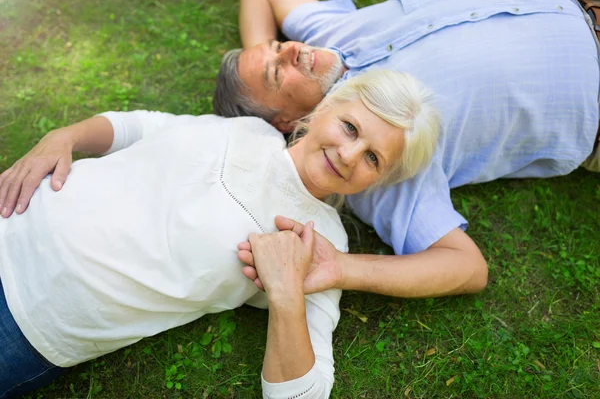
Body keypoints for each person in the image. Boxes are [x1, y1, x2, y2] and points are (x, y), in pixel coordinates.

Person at [0, 70, 439, 398]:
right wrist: (66, 136)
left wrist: (286, 294)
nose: (348, 154)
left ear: (376, 182)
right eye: (351, 127)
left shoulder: (320, 244)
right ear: (324, 108)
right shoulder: (250, 129)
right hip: (14, 213)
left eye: (373, 159)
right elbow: (141, 126)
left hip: (28, 322)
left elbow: (303, 393)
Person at [214, 0, 600, 299]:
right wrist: (343, 268)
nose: (292, 51)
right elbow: (467, 267)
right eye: (277, 73)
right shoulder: (372, 168)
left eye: (278, 45)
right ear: (284, 122)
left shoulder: (323, 32)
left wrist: (261, 53)